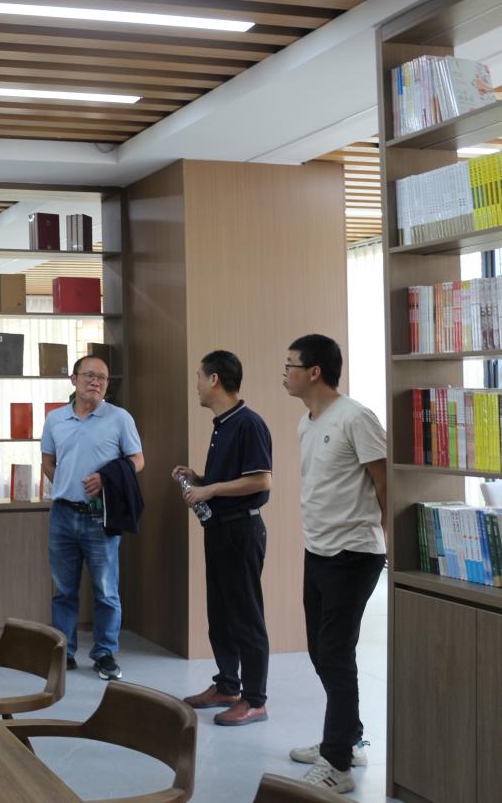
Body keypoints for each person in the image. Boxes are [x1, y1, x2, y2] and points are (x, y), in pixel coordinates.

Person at [282, 334, 387, 793]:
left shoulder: (356, 417)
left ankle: (337, 764)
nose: (284, 374)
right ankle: (350, 736)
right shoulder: (306, 423)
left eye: (290, 365)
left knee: (336, 655)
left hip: (354, 553)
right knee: (320, 651)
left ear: (314, 372)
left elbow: (385, 483)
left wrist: (389, 543)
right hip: (319, 550)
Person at [171, 350, 273, 726]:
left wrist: (209, 490)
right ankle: (228, 686)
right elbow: (231, 479)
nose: (197, 385)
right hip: (219, 529)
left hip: (241, 531)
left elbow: (261, 480)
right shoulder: (222, 424)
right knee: (221, 613)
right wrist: (199, 479)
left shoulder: (249, 424)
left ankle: (255, 700)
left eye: (199, 377)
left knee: (246, 615)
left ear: (214, 379)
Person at [41, 355, 143, 680]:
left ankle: (104, 654)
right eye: (89, 375)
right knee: (63, 590)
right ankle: (64, 651)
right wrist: (66, 484)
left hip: (100, 516)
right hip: (62, 515)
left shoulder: (119, 418)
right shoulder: (55, 419)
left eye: (102, 378)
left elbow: (138, 460)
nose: (96, 382)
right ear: (74, 379)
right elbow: (47, 461)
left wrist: (106, 480)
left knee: (106, 590)